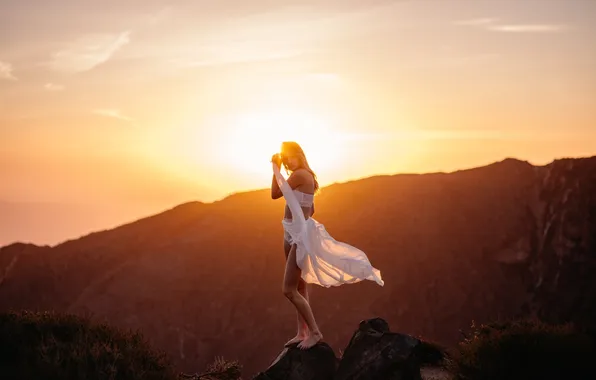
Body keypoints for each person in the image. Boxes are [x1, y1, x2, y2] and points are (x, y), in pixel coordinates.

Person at [270, 141, 384, 350]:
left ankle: (314, 332)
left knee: (288, 290)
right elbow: (310, 208)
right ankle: (302, 332)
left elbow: (275, 193)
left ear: (299, 155)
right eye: (284, 159)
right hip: (292, 233)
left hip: (298, 237)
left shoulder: (301, 175)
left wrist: (274, 167)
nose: (287, 161)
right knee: (300, 286)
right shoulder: (305, 177)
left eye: (289, 157)